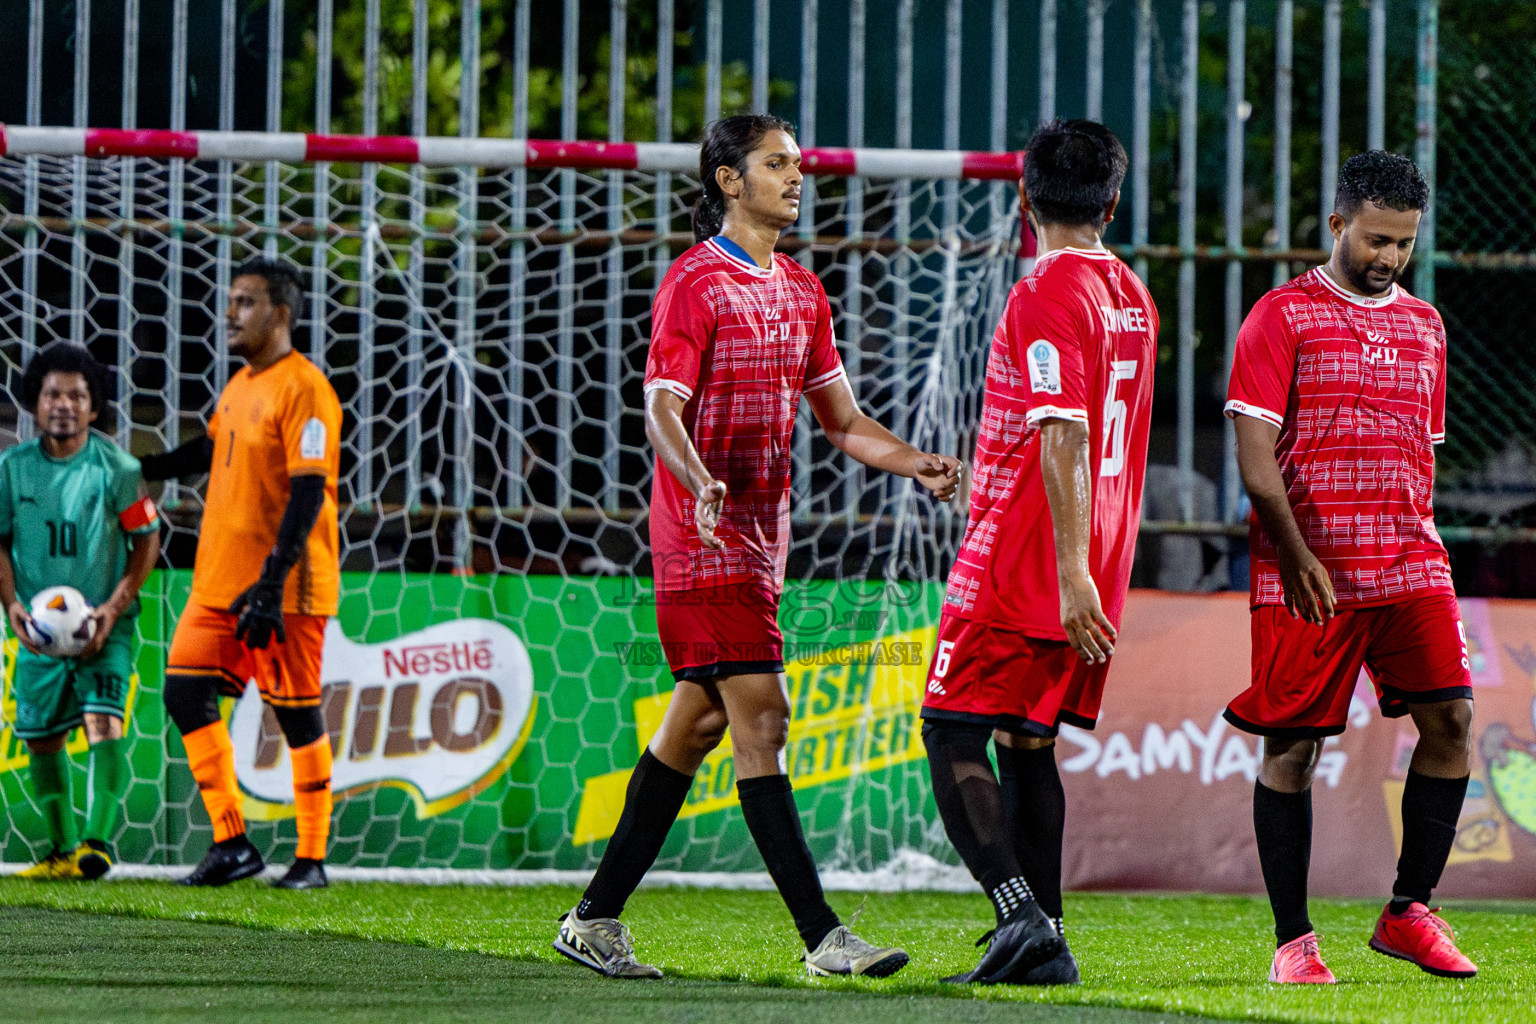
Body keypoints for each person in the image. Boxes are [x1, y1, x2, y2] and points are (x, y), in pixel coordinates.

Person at [553, 114, 961, 980]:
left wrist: (915, 462)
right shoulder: (695, 283)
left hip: (761, 540)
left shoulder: (804, 291)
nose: (795, 177)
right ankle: (822, 937)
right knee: (765, 720)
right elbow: (662, 406)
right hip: (702, 538)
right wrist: (699, 479)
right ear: (729, 181)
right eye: (775, 164)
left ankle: (593, 920)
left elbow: (844, 423)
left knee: (696, 726)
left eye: (798, 165)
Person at [1225, 150, 1476, 983]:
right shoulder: (1279, 316)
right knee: (1293, 750)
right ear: (1337, 224)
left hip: (1408, 563)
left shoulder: (1427, 325)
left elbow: (1417, 455)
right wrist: (1294, 556)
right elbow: (1256, 463)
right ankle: (1293, 943)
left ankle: (1409, 912)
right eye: (1374, 240)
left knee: (1452, 724)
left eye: (1403, 244)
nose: (1388, 258)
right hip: (1310, 571)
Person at [920, 119, 1157, 986]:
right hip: (1095, 544)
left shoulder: (1045, 294)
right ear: (1113, 201)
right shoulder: (1133, 292)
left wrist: (1066, 573)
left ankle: (1020, 914)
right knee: (1027, 740)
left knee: (949, 727)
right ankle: (1045, 936)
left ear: (1023, 199)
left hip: (1030, 554)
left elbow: (1062, 432)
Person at [140, 257, 342, 890]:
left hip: (284, 587)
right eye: (230, 301)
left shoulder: (305, 388)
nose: (230, 313)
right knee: (182, 691)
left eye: (246, 302)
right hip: (218, 582)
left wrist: (272, 583)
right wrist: (140, 466)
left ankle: (311, 859)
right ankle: (232, 842)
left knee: (297, 712)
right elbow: (208, 447)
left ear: (281, 314)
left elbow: (310, 492)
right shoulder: (239, 385)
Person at [0, 344, 161, 880]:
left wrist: (114, 609)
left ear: (95, 408)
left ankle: (97, 844)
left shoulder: (119, 468)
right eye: (52, 393)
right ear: (34, 403)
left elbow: (147, 539)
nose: (64, 404)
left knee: (103, 722)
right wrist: (13, 606)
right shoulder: (11, 470)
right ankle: (61, 851)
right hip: (39, 631)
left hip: (103, 627)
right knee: (41, 737)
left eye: (77, 395)